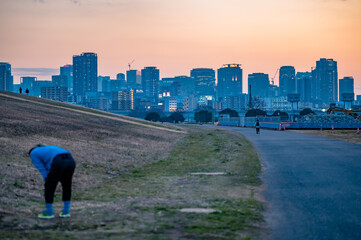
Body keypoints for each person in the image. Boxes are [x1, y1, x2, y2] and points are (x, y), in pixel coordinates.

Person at [28, 145, 76, 219]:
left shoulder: (33, 153)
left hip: (59, 161)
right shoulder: (46, 149)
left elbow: (42, 169)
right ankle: (66, 212)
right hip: (70, 159)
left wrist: (47, 181)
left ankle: (49, 212)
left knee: (49, 186)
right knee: (67, 185)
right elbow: (50, 165)